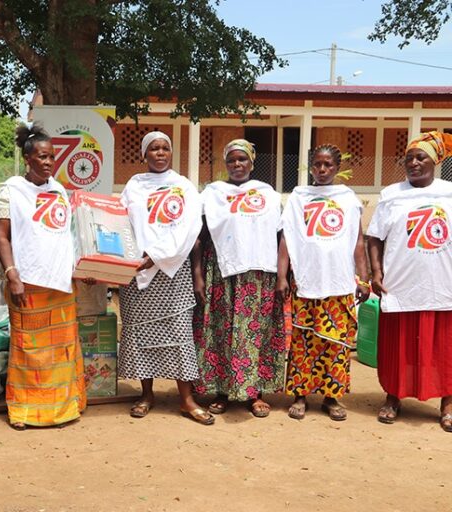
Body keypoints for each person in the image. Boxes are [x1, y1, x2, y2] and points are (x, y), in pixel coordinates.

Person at [0, 123, 86, 430]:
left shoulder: (59, 190)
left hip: (60, 283)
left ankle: (62, 409)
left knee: (61, 350)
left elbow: (66, 236)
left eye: (52, 157)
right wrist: (12, 275)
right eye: (42, 157)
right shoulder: (11, 190)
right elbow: (2, 237)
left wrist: (79, 269)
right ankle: (24, 411)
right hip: (28, 283)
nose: (48, 163)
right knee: (28, 349)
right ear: (28, 157)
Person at [118, 131, 213, 425]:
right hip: (137, 270)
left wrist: (158, 255)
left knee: (179, 334)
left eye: (165, 148)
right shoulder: (133, 186)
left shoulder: (183, 186)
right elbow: (120, 222)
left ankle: (186, 399)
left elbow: (190, 230)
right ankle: (146, 395)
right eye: (154, 149)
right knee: (138, 333)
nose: (160, 153)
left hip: (173, 270)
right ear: (144, 154)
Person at [193, 139, 286, 418]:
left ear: (252, 162)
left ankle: (254, 393)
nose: (237, 165)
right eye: (232, 160)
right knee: (221, 330)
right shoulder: (212, 193)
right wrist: (197, 275)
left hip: (258, 276)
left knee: (255, 332)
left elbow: (282, 236)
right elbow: (198, 237)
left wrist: (283, 276)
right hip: (221, 273)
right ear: (225, 163)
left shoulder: (268, 194)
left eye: (242, 159)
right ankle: (222, 391)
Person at [276, 144, 369, 421]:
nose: (322, 170)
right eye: (317, 164)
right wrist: (282, 276)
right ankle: (300, 394)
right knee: (304, 341)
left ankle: (332, 397)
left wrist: (363, 279)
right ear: (310, 166)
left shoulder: (348, 198)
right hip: (307, 281)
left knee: (336, 343)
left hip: (339, 283)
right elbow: (287, 238)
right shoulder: (299, 197)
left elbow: (358, 241)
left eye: (328, 165)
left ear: (337, 167)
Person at [367, 131, 452, 432]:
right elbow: (374, 236)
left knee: (444, 347)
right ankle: (393, 396)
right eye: (409, 159)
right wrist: (376, 272)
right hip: (401, 285)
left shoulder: (449, 193)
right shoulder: (392, 195)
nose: (414, 163)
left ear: (435, 161)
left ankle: (448, 403)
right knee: (397, 346)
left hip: (442, 284)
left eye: (421, 158)